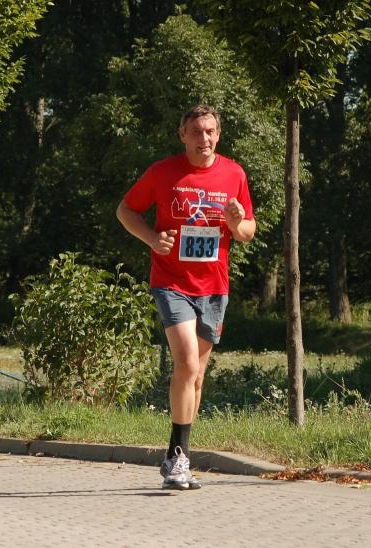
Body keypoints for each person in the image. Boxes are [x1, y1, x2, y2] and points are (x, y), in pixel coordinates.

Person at [116, 105, 256, 490]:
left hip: (214, 286)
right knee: (187, 362)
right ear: (183, 135)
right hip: (171, 282)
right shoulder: (163, 172)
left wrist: (236, 223)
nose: (204, 138)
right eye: (196, 131)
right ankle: (177, 457)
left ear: (218, 135)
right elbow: (126, 210)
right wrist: (151, 238)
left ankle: (179, 458)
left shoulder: (234, 173)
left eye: (210, 131)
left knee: (196, 377)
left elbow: (248, 231)